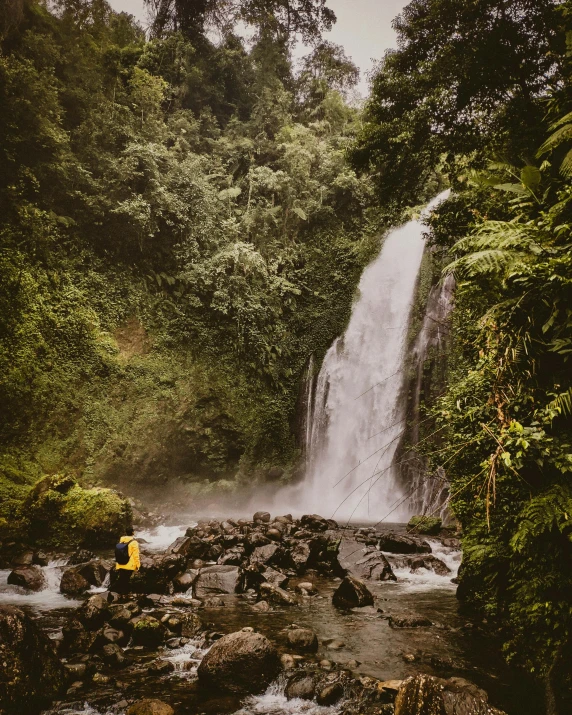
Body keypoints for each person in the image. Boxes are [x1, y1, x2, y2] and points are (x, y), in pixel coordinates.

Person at [111, 526, 140, 594]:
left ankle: (120, 594)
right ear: (133, 532)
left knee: (122, 578)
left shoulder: (122, 540)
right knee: (126, 580)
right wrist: (138, 565)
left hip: (120, 564)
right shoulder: (134, 542)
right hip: (129, 565)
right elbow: (136, 555)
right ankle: (123, 594)